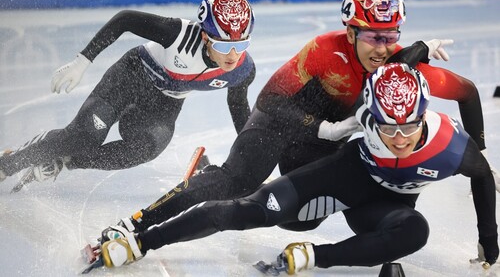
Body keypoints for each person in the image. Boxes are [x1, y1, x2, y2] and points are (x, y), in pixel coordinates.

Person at [97, 0, 498, 239]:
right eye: (374, 36)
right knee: (235, 183)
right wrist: (323, 128)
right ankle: (138, 223)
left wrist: (479, 154)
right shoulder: (324, 51)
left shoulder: (402, 68)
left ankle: (228, 177)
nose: (383, 47)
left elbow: (466, 91)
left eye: (392, 37)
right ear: (352, 32)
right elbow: (268, 102)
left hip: (319, 146)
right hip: (280, 124)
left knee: (299, 221)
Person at [98, 63, 498, 273]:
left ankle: (313, 256)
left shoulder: (452, 147)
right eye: (387, 126)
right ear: (369, 115)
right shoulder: (363, 112)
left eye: (409, 126)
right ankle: (145, 240)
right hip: (344, 173)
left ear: (424, 116)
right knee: (252, 211)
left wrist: (488, 238)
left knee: (415, 231)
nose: (398, 137)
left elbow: (482, 175)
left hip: (381, 208)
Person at [0, 0, 256, 190]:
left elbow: (238, 106)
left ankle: (64, 161)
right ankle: (8, 163)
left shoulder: (242, 70)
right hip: (131, 77)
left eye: (241, 44)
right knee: (84, 137)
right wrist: (82, 61)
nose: (233, 55)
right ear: (204, 36)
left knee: (147, 148)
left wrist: (248, 163)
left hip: (162, 104)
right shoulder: (179, 35)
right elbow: (126, 20)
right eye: (223, 47)